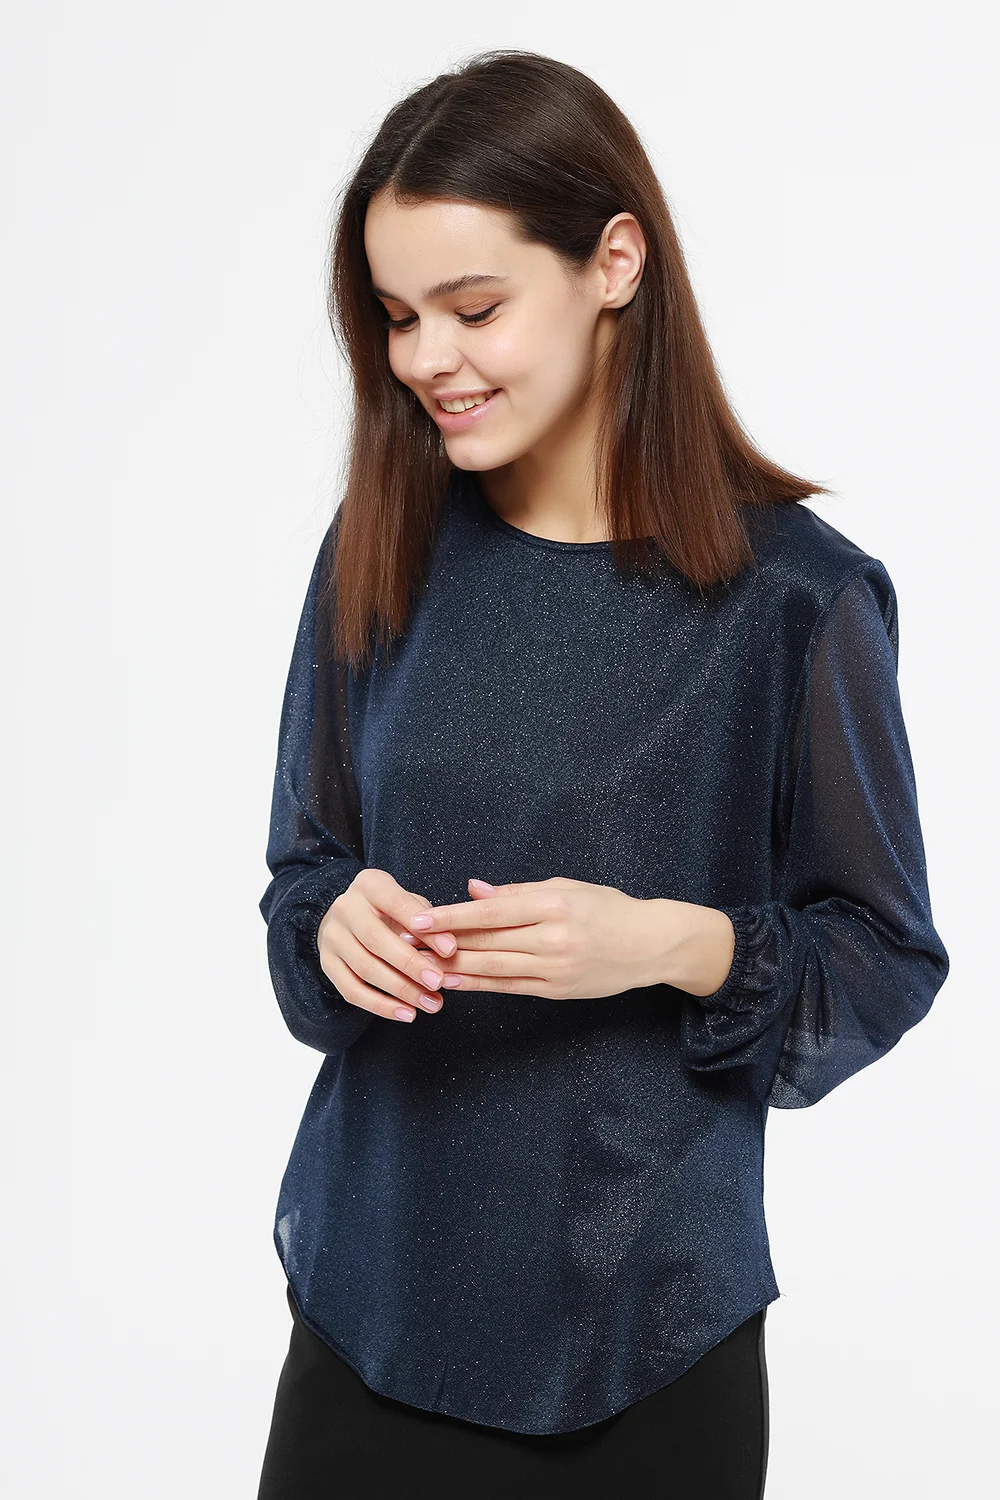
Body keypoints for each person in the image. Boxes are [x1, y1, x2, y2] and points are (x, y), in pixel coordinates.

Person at [254, 49, 949, 1500]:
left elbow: (884, 957)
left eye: (474, 309)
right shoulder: (381, 547)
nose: (426, 360)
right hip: (368, 1312)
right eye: (396, 318)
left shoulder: (796, 601)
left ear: (615, 262)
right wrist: (331, 924)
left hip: (647, 1342)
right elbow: (303, 877)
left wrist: (673, 944)